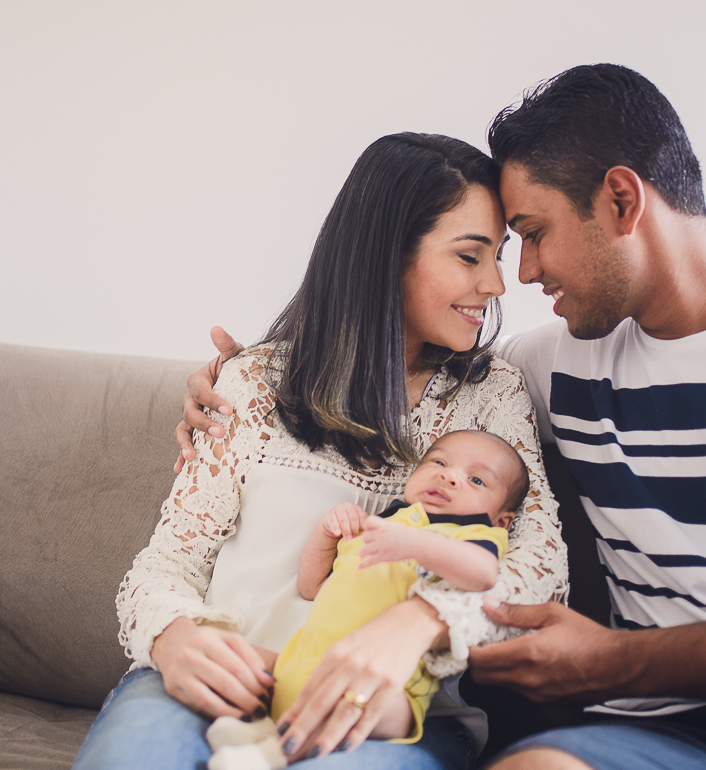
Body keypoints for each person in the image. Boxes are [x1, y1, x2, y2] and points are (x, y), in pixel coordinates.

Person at [177, 65, 706, 770]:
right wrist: (236, 380)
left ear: (622, 200)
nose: (522, 275)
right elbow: (410, 357)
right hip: (657, 738)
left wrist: (618, 661)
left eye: (532, 234)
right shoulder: (554, 365)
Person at [72, 133, 568, 770]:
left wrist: (418, 620)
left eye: (496, 255)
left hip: (390, 710)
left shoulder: (491, 396)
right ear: (385, 256)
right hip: (221, 676)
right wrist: (173, 636)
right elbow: (169, 562)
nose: (497, 283)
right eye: (470, 256)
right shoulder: (250, 382)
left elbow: (543, 567)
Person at [273, 430, 528, 743]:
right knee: (239, 660)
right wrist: (327, 533)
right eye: (438, 462)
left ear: (502, 520)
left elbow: (483, 574)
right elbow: (311, 587)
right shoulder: (383, 524)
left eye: (476, 480)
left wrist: (417, 544)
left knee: (350, 718)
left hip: (388, 688)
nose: (448, 476)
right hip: (304, 660)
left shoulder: (474, 535)